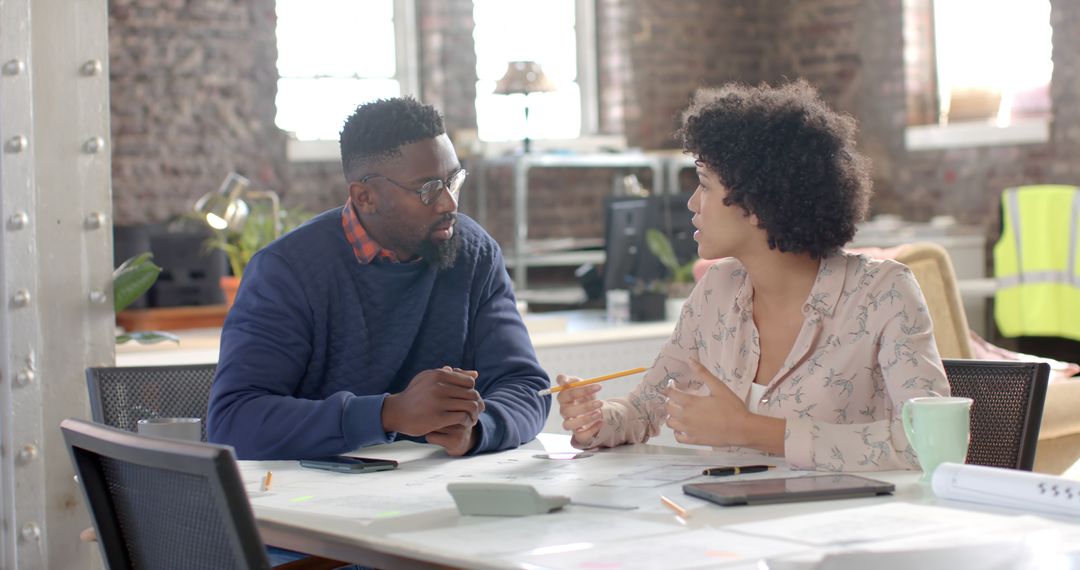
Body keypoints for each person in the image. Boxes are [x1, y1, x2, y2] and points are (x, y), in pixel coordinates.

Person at [557, 80, 949, 471]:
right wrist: (595, 419)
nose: (692, 203)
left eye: (705, 185)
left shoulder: (883, 292)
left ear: (759, 203)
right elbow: (642, 410)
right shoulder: (717, 291)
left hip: (845, 525)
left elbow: (929, 443)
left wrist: (750, 430)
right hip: (731, 520)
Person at [207, 97, 550, 460]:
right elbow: (233, 423)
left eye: (454, 180)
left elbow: (526, 387)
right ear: (365, 197)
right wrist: (389, 414)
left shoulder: (475, 254)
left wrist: (479, 429)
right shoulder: (286, 271)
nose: (449, 203)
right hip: (313, 500)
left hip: (439, 486)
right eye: (429, 189)